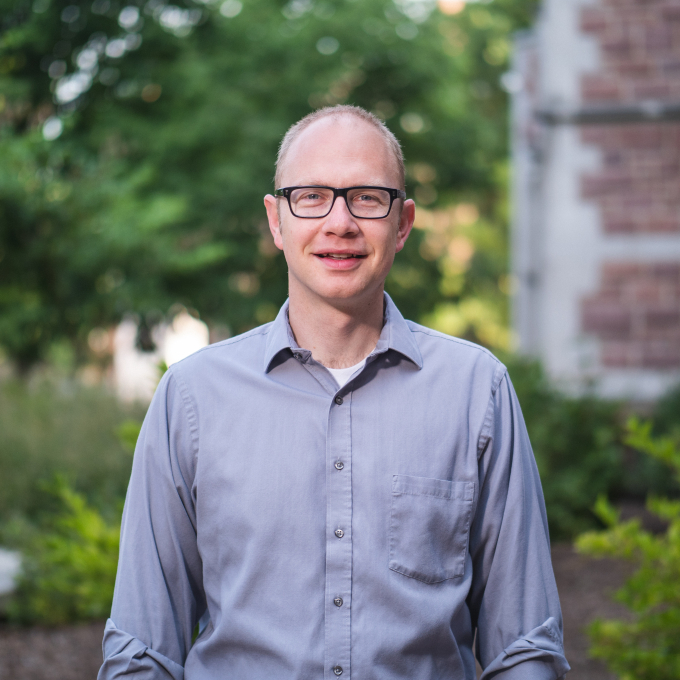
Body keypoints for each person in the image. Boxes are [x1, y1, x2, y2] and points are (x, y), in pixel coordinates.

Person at [99, 105, 570, 680]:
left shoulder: (477, 392)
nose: (340, 222)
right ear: (276, 221)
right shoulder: (191, 399)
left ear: (402, 223)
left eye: (368, 197)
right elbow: (141, 651)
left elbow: (523, 646)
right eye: (312, 196)